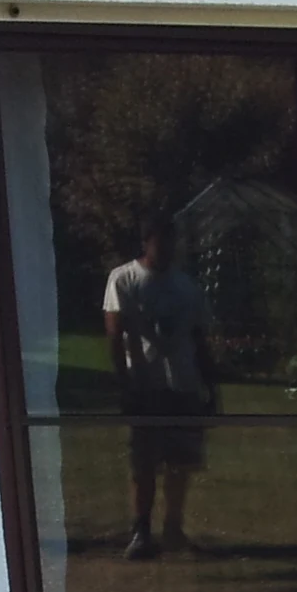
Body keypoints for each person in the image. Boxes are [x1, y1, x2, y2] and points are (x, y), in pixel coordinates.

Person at [103, 216, 214, 561]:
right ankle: (141, 530)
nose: (165, 249)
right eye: (159, 241)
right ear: (146, 242)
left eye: (170, 241)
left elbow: (199, 337)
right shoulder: (124, 279)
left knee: (180, 462)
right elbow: (115, 333)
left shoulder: (186, 287)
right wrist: (125, 382)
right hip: (146, 385)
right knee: (144, 462)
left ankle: (173, 529)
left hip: (181, 383)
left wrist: (209, 384)